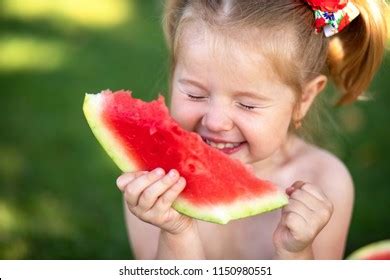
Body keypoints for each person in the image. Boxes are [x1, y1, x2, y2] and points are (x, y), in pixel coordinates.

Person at [115, 0, 388, 259]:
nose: (215, 121)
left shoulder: (327, 182)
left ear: (303, 99)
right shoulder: (152, 183)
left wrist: (297, 254)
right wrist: (175, 232)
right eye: (195, 94)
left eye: (247, 104)